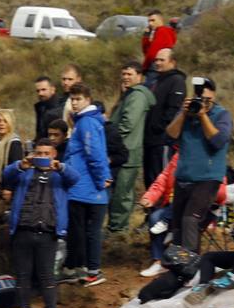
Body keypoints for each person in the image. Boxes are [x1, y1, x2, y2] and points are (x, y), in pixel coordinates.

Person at [0, 138, 67, 308]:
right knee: (22, 275)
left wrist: (60, 167)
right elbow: (6, 175)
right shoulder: (24, 172)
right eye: (39, 153)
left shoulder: (60, 175)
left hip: (48, 232)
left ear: (54, 154)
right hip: (23, 230)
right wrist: (21, 164)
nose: (43, 157)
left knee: (47, 276)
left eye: (47, 153)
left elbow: (75, 178)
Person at [165, 76, 233, 251]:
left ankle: (191, 269)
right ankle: (178, 270)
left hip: (208, 179)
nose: (204, 103)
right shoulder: (185, 112)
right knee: (178, 225)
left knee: (190, 220)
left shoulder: (222, 114)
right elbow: (170, 135)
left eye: (208, 100)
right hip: (183, 178)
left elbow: (218, 141)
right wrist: (183, 114)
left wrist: (203, 115)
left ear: (214, 96)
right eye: (201, 100)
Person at [58, 87, 112, 286]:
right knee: (84, 231)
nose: (74, 103)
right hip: (85, 187)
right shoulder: (83, 122)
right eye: (72, 99)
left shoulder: (87, 122)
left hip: (87, 188)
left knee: (86, 231)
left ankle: (90, 271)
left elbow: (94, 154)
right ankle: (84, 270)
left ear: (88, 100)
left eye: (78, 99)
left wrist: (101, 180)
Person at [111, 63, 152, 236]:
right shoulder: (129, 95)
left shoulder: (137, 96)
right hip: (123, 150)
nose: (125, 77)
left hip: (128, 151)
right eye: (123, 73)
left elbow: (127, 124)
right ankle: (116, 227)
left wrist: (110, 137)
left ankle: (118, 230)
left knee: (122, 193)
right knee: (120, 192)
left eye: (129, 74)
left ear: (139, 76)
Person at [145, 45, 186, 177]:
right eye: (156, 60)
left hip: (163, 141)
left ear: (172, 62)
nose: (157, 63)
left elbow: (174, 109)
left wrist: (159, 128)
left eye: (162, 60)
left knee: (161, 178)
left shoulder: (177, 81)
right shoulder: (156, 81)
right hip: (150, 140)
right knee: (149, 179)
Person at [30, 76, 67, 155]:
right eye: (38, 91)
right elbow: (40, 133)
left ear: (52, 89)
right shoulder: (40, 107)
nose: (40, 93)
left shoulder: (60, 108)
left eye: (43, 90)